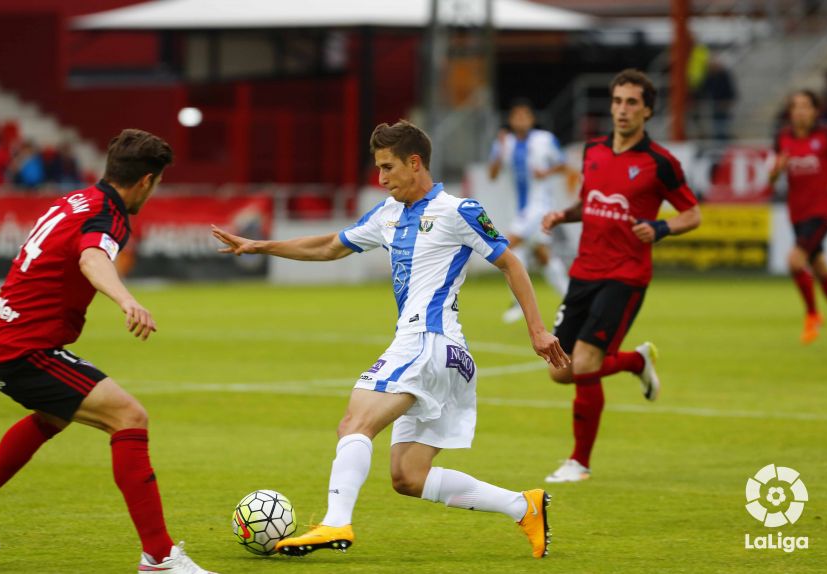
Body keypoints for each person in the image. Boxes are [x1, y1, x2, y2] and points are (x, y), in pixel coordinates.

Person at [212, 120, 570, 559]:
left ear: (414, 163)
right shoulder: (388, 214)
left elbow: (512, 263)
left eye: (387, 168)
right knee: (407, 476)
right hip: (447, 356)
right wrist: (260, 246)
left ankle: (335, 523)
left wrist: (536, 329)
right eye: (378, 168)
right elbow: (330, 246)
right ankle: (523, 505)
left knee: (354, 421)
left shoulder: (459, 211)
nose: (380, 178)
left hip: (427, 340)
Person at [0, 129, 215, 574]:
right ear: (147, 181)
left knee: (54, 415)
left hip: (2, 338)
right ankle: (159, 557)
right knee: (129, 417)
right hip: (23, 350)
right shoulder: (108, 215)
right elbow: (93, 258)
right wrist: (127, 299)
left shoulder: (77, 199)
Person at [541, 69, 702, 483]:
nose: (622, 110)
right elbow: (588, 203)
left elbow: (692, 213)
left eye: (632, 102)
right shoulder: (593, 150)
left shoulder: (660, 162)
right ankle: (635, 360)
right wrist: (563, 215)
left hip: (626, 275)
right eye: (617, 101)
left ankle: (579, 462)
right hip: (584, 271)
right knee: (560, 369)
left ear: (647, 109)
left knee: (587, 361)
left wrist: (663, 228)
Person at [769, 90, 827, 348]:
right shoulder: (783, 138)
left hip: (822, 211)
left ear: (815, 111)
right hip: (797, 214)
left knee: (794, 261)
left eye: (805, 106)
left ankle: (813, 315)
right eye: (795, 107)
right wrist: (777, 170)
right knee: (820, 269)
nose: (800, 111)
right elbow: (771, 179)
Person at [489, 99, 574, 322]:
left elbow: (565, 165)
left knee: (508, 246)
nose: (520, 120)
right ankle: (571, 299)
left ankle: (517, 302)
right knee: (542, 255)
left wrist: (546, 173)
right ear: (511, 120)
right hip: (519, 209)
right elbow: (493, 174)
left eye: (524, 116)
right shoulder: (504, 143)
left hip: (540, 206)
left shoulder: (544, 140)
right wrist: (498, 153)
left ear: (531, 120)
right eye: (516, 116)